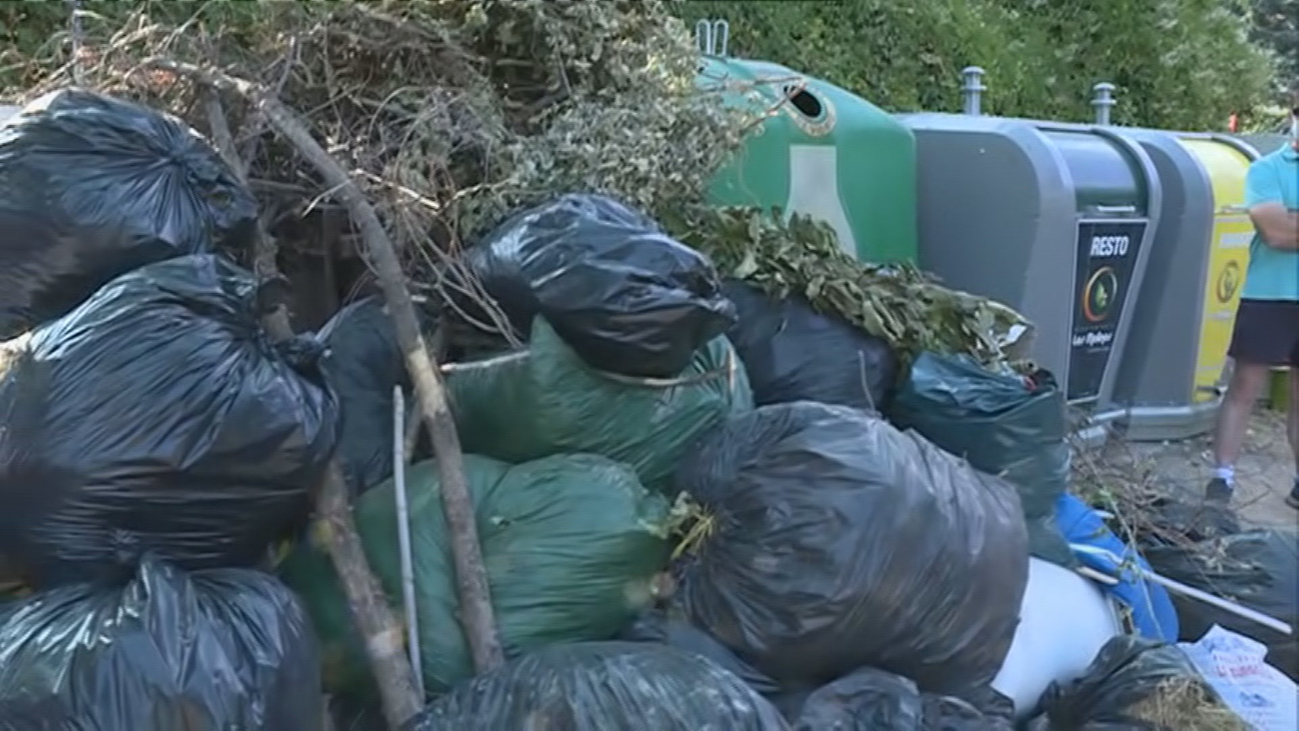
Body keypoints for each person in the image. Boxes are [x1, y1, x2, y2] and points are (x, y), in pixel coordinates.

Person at [1207, 87, 1299, 509]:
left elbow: (1286, 226)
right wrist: (1284, 222)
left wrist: (1291, 216)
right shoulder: (1266, 170)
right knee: (1245, 385)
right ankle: (1222, 477)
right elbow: (1276, 234)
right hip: (1269, 295)